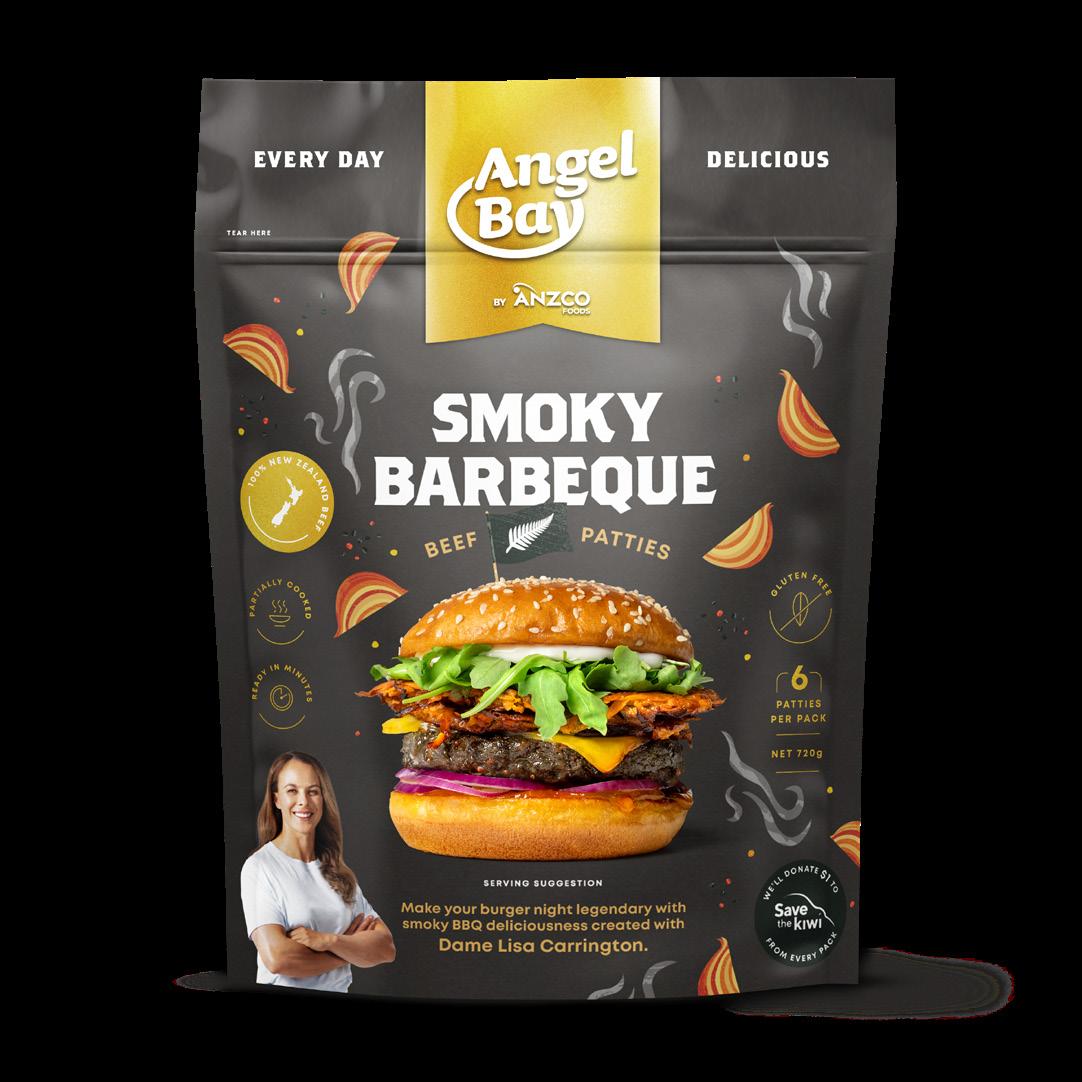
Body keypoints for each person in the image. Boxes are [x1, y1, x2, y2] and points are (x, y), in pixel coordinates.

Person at [240, 751, 396, 992]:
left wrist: (327, 940)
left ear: (323, 798)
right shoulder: (261, 867)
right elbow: (278, 959)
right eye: (292, 791)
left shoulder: (337, 871)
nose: (303, 801)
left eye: (313, 791)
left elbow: (385, 948)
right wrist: (349, 951)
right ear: (276, 799)